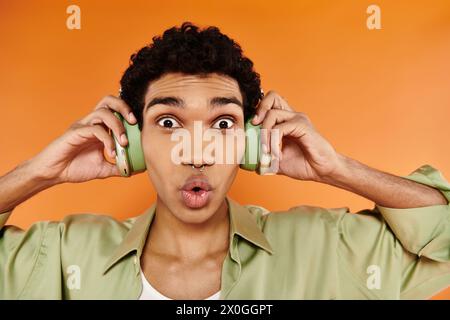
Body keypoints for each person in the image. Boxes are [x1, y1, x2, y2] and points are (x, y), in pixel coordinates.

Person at [0, 22, 449, 300]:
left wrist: (337, 169)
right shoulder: (61, 255)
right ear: (133, 143)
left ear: (252, 142)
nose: (197, 151)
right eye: (170, 122)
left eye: (222, 124)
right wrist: (39, 172)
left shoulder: (326, 247)